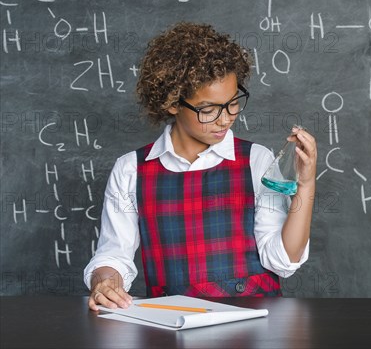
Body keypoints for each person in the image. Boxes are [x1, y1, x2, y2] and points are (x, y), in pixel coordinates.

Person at [84, 22, 317, 311]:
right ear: (172, 103)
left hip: (254, 326)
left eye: (233, 103)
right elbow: (113, 255)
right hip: (172, 327)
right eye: (208, 109)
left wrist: (305, 186)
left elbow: (284, 259)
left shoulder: (256, 160)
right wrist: (105, 282)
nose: (225, 119)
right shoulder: (131, 170)